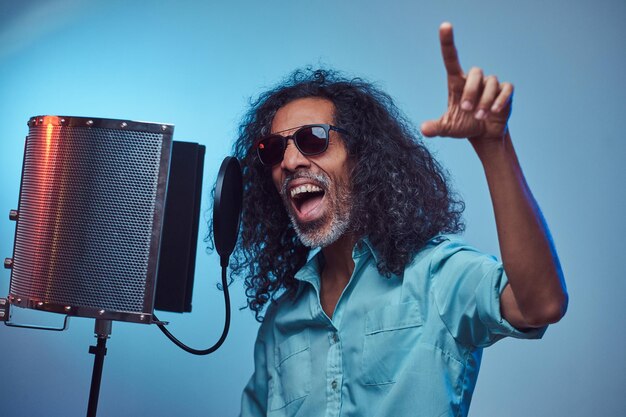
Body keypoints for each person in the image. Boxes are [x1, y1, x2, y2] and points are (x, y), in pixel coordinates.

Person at [230, 22, 568, 417]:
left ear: (362, 158)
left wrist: (494, 147)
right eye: (272, 150)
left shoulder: (436, 277)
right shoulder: (280, 322)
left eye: (313, 139)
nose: (289, 161)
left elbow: (541, 305)